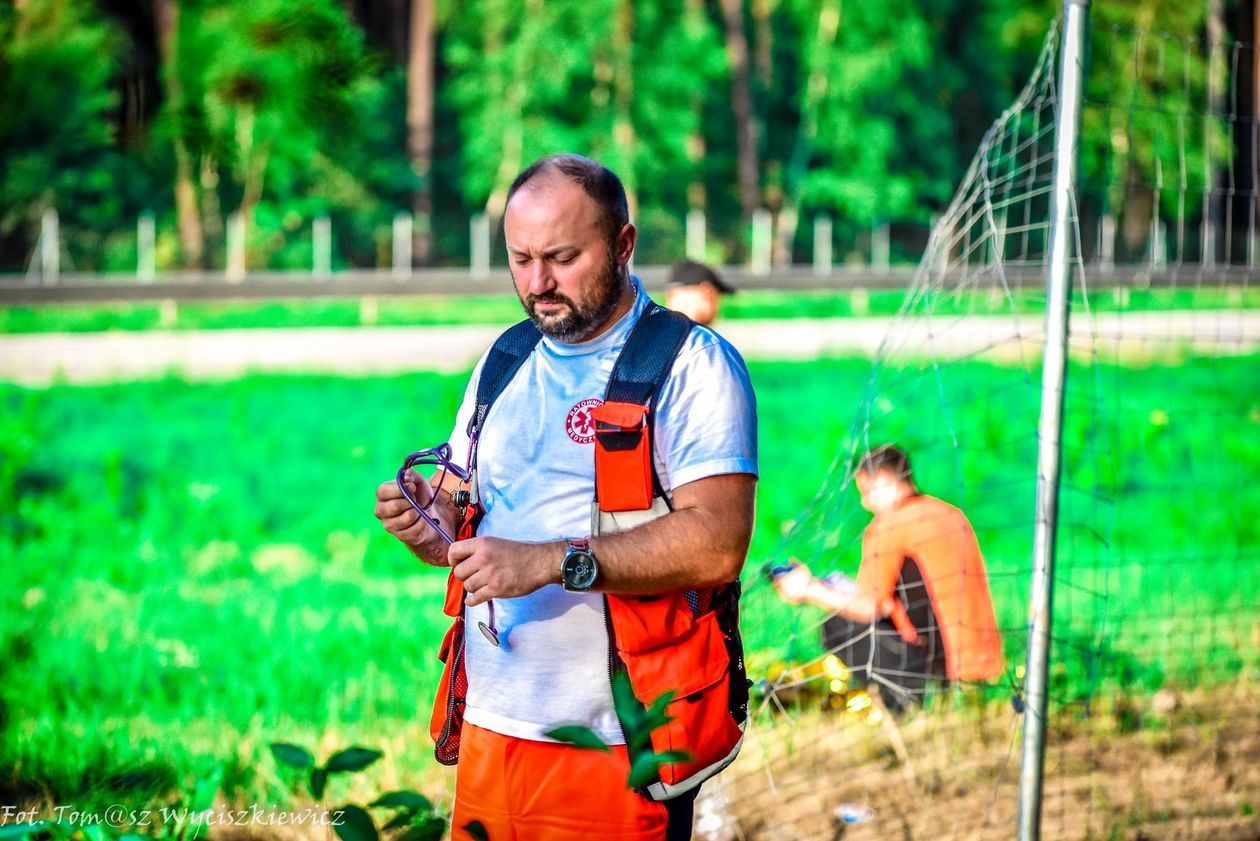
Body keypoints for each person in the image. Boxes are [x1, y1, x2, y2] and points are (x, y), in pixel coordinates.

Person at [374, 154, 758, 841]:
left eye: (562, 257)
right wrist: (432, 524)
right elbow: (463, 495)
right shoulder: (506, 357)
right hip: (493, 721)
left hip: (618, 741)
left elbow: (719, 542)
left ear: (624, 244)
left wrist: (551, 560)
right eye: (519, 259)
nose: (537, 282)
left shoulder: (691, 365)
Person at [773, 445, 1003, 713]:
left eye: (866, 493)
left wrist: (809, 591)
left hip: (942, 667)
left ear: (883, 481)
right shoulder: (950, 513)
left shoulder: (889, 525)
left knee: (837, 625)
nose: (864, 503)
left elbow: (870, 607)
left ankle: (906, 701)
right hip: (982, 665)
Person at [663, 260, 736, 326]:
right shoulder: (705, 339)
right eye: (716, 296)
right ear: (707, 291)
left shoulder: (655, 335)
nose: (718, 305)